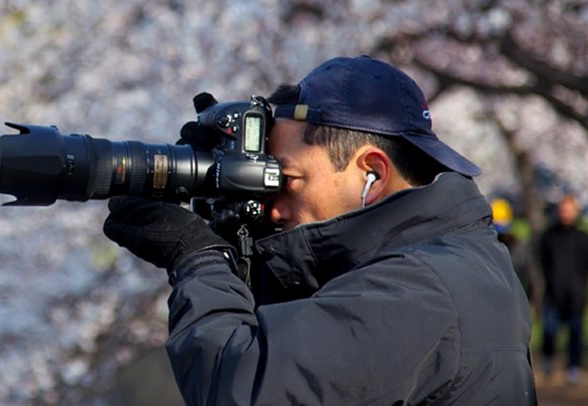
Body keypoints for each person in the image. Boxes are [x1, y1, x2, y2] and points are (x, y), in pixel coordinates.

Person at [102, 56, 536, 404]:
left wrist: (196, 257)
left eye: (286, 180)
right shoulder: (451, 257)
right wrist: (238, 238)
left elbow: (247, 387)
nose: (274, 209)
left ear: (371, 172)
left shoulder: (421, 289)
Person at [537, 194, 588, 385]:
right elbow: (542, 263)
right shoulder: (548, 236)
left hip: (575, 294)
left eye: (569, 210)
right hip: (553, 293)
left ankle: (574, 367)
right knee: (550, 330)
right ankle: (548, 360)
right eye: (563, 210)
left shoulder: (583, 238)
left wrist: (583, 289)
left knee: (576, 333)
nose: (565, 214)